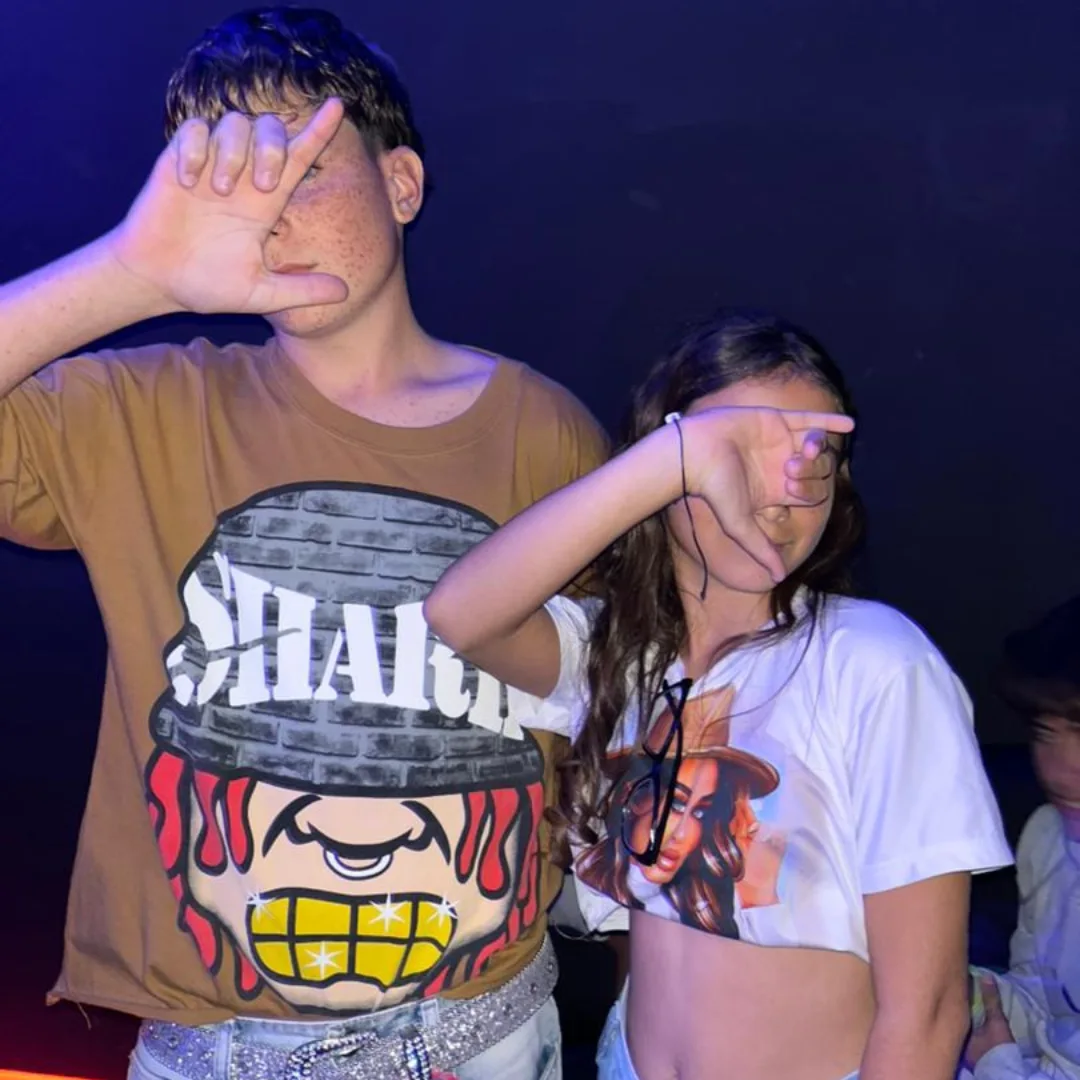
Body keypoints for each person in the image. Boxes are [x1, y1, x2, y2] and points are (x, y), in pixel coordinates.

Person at [0, 8, 616, 1079]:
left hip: (481, 1031)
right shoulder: (137, 411)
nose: (268, 211)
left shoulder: (543, 431)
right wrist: (132, 273)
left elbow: (605, 697)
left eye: (301, 166)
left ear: (402, 184)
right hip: (214, 1048)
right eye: (231, 182)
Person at [425, 310, 1015, 1080]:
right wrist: (672, 458)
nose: (779, 496)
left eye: (817, 455)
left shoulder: (873, 661)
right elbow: (460, 614)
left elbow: (928, 1010)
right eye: (738, 453)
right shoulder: (618, 655)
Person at [963, 597, 1080, 1079]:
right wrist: (964, 992)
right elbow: (1044, 1000)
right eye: (1044, 732)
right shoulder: (1047, 836)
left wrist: (996, 1065)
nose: (1058, 768)